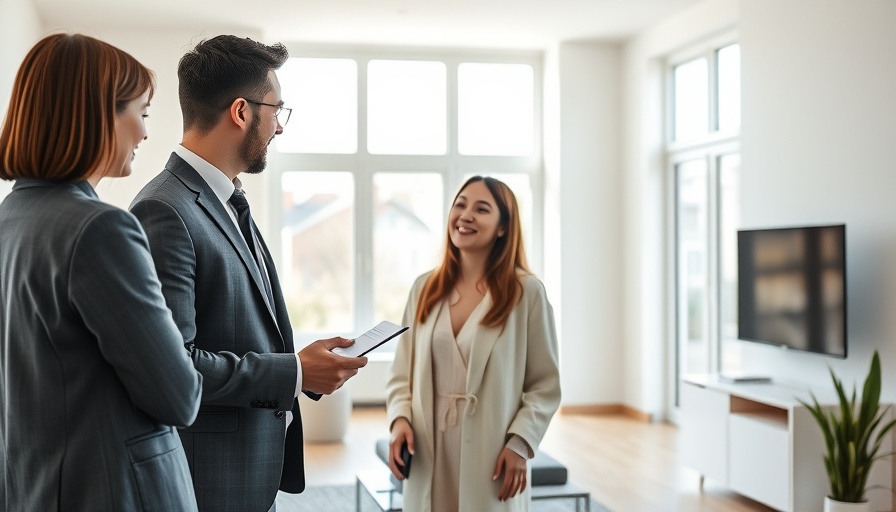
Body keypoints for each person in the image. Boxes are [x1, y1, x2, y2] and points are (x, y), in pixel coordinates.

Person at [129, 34, 367, 511]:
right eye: (277, 110)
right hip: (209, 484)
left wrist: (301, 369)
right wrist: (295, 372)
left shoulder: (225, 198)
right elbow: (175, 367)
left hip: (248, 475)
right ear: (241, 112)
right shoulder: (164, 210)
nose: (279, 127)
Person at [0, 33, 202, 511]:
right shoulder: (101, 230)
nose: (145, 134)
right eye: (142, 113)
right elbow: (179, 396)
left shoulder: (10, 219)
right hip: (111, 492)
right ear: (98, 114)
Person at [386, 176, 562, 511]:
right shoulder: (424, 288)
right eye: (461, 205)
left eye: (482, 209)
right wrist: (400, 420)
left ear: (503, 227)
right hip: (428, 448)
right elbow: (400, 374)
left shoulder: (527, 293)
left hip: (490, 451)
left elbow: (545, 385)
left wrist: (520, 443)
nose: (465, 215)